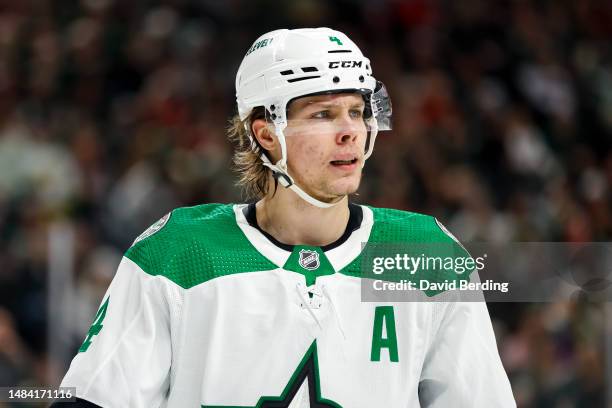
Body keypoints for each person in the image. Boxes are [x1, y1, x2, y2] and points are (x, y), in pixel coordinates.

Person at [53, 28, 515, 407]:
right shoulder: (176, 252)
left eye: (357, 111)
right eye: (323, 114)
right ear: (266, 133)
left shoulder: (424, 253)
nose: (350, 132)